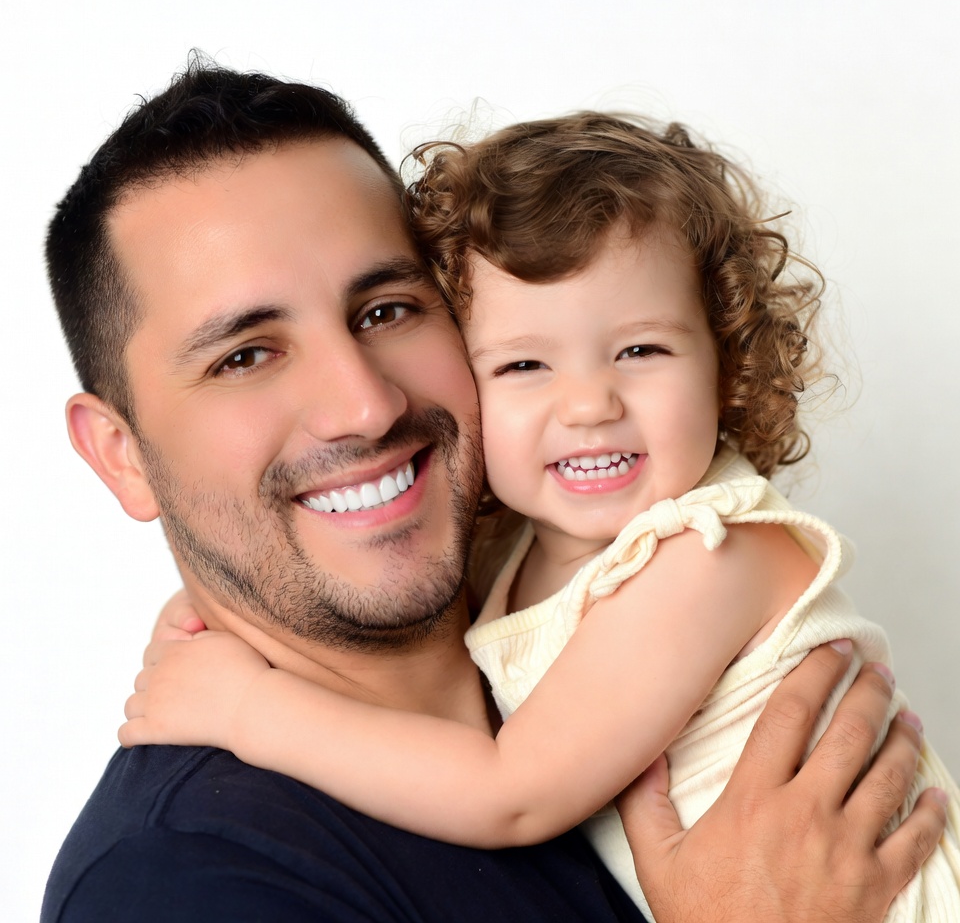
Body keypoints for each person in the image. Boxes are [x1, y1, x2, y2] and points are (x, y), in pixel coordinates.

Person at [42, 59, 946, 923]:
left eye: (386, 311)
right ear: (123, 455)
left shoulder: (594, 574)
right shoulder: (185, 880)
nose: (365, 404)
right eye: (244, 356)